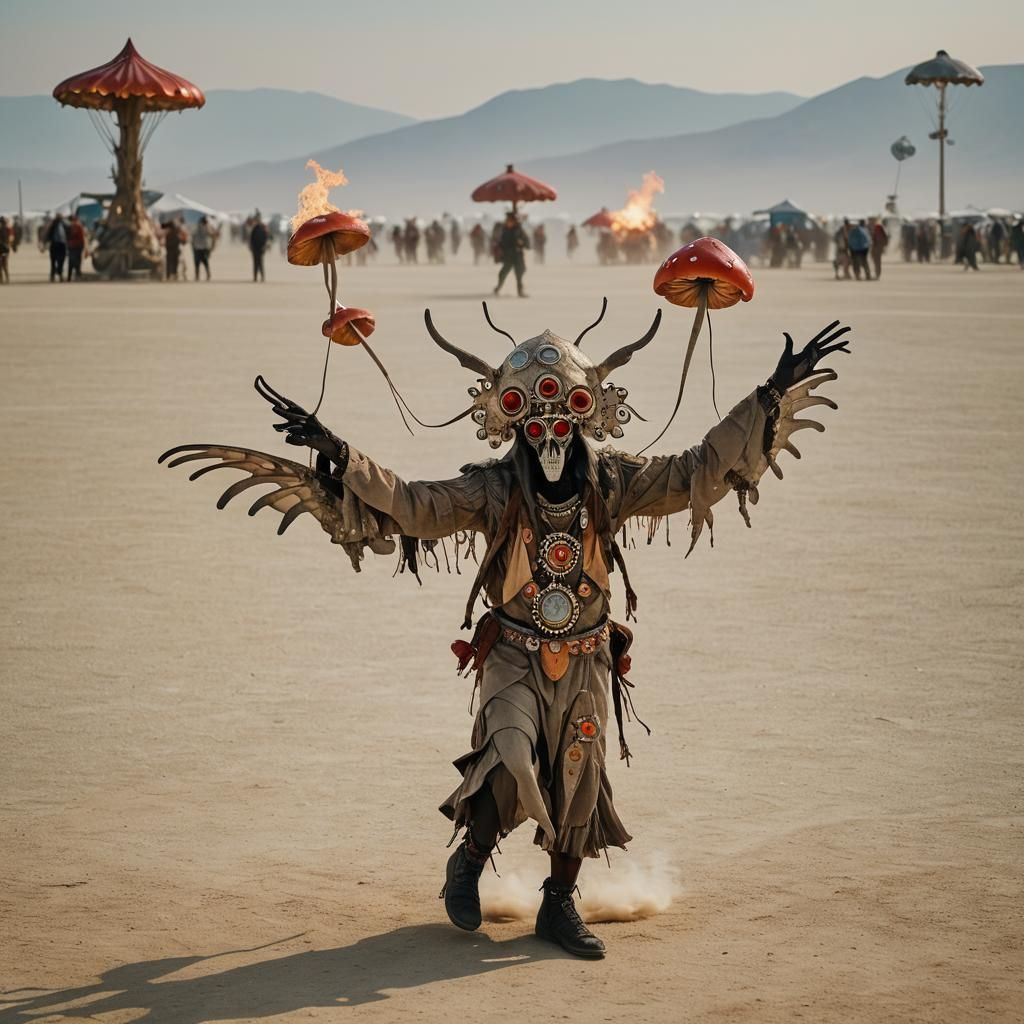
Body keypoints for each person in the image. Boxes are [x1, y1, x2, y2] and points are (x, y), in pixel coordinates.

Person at [161, 302, 852, 959]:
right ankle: (468, 862)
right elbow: (411, 505)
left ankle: (559, 900)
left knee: (580, 777)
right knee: (509, 758)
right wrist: (338, 453)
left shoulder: (616, 480)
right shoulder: (490, 490)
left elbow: (700, 468)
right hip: (514, 654)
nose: (551, 439)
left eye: (563, 423)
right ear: (514, 425)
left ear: (584, 421)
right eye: (536, 425)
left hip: (586, 657)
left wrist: (768, 396)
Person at [493, 212, 530, 297]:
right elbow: (502, 243)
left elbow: (527, 243)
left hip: (517, 256)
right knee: (502, 273)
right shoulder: (505, 230)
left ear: (513, 221)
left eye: (509, 220)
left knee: (519, 275)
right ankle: (498, 287)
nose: (507, 221)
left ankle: (520, 291)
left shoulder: (519, 230)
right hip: (508, 257)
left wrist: (521, 243)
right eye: (507, 220)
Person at [45, 212, 68, 282]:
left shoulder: (64, 224)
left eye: (60, 217)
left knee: (61, 261)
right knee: (53, 261)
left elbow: (69, 227)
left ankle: (60, 274)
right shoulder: (52, 225)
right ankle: (52, 276)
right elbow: (47, 234)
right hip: (54, 244)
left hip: (62, 244)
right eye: (58, 217)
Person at [192, 216, 215, 280]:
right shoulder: (206, 227)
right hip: (204, 247)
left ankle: (197, 276)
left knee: (197, 262)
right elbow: (211, 234)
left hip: (197, 247)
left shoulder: (196, 227)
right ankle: (208, 274)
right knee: (205, 262)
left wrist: (193, 246)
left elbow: (192, 237)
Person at [66, 214, 88, 281]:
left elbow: (66, 237)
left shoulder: (69, 227)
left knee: (71, 261)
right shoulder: (79, 227)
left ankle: (70, 277)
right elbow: (82, 238)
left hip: (71, 246)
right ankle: (77, 275)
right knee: (77, 262)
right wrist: (84, 247)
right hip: (77, 246)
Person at [249, 213, 269, 282]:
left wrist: (264, 247)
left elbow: (265, 239)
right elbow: (252, 239)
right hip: (257, 249)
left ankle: (259, 277)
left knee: (258, 263)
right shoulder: (256, 229)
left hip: (259, 249)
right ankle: (257, 277)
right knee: (258, 263)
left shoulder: (261, 229)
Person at [0, 216, 10, 284]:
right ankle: (6, 279)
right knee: (4, 265)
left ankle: (3, 279)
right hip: (5, 248)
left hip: (3, 249)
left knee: (2, 265)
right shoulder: (7, 229)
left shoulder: (6, 229)